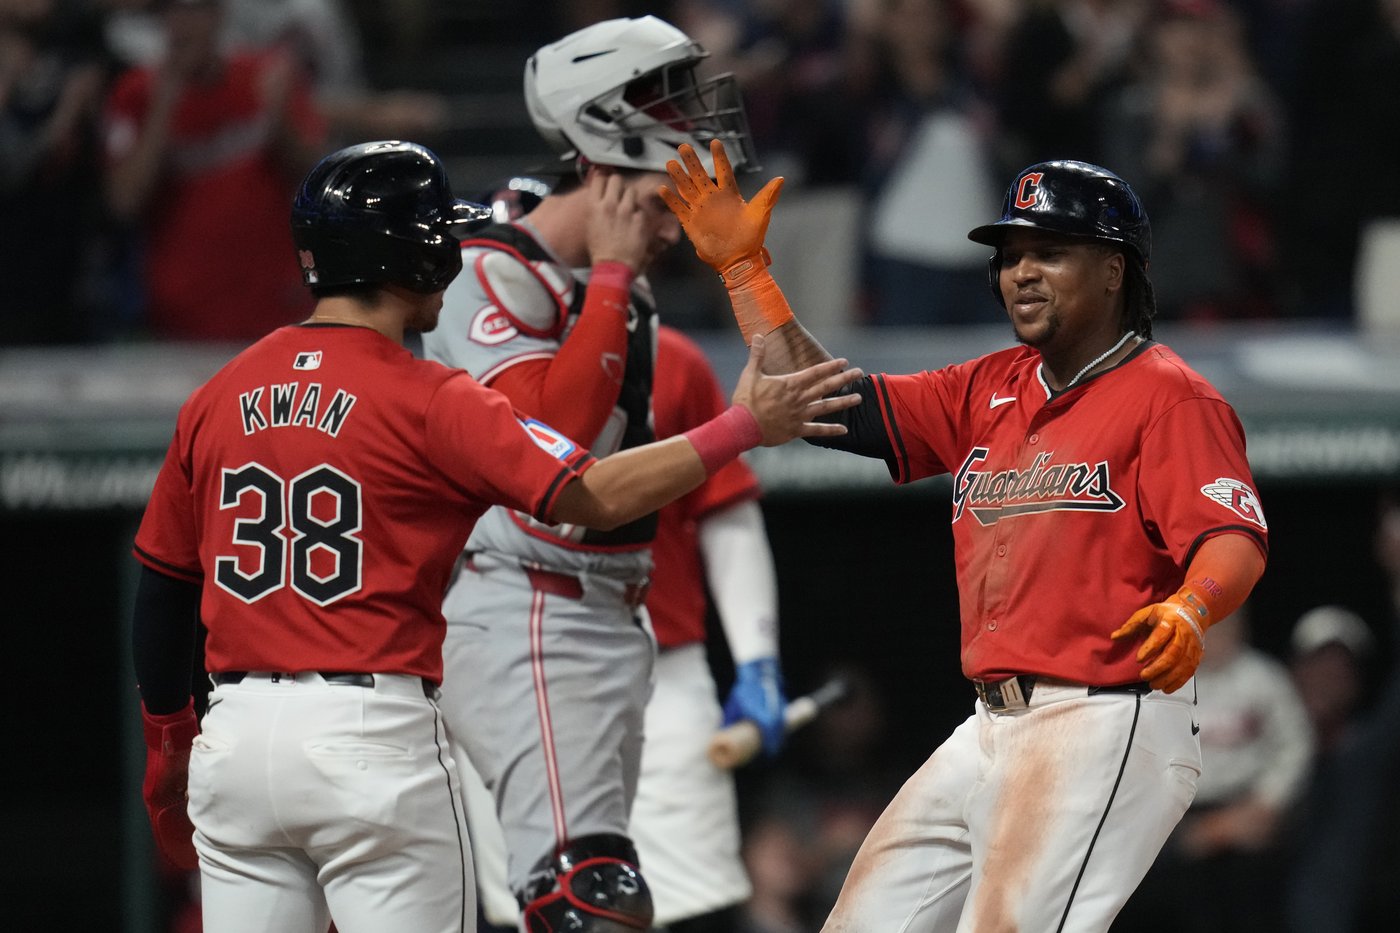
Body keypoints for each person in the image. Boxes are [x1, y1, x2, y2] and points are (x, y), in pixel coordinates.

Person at [127, 138, 861, 933]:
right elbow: (592, 494)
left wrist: (168, 743)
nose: (457, 250)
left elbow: (163, 588)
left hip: (234, 737)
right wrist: (744, 425)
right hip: (370, 734)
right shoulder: (430, 397)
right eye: (442, 234)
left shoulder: (217, 393)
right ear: (412, 257)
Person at [662, 139, 1270, 931]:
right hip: (989, 723)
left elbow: (1234, 535)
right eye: (1011, 254)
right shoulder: (989, 386)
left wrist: (1194, 605)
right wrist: (748, 275)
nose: (1020, 271)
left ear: (1115, 269)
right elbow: (831, 404)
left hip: (1104, 716)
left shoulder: (1171, 398)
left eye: (1049, 252)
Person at [418, 15, 766, 930]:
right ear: (606, 136)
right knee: (584, 897)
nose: (694, 123)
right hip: (528, 603)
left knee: (588, 889)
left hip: (600, 611)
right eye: (669, 100)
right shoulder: (488, 270)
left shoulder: (608, 279)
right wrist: (611, 276)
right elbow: (553, 449)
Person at [102, 0, 327, 341]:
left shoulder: (266, 78)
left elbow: (319, 182)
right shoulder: (135, 93)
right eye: (174, 11)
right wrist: (163, 105)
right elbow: (124, 200)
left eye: (196, 10)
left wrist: (282, 123)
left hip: (275, 306)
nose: (185, 24)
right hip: (182, 316)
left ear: (218, 15)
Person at [1112, 607, 1313, 933]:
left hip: (1249, 805)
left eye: (1228, 627)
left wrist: (1268, 801)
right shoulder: (1167, 683)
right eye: (1211, 629)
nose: (1219, 637)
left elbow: (1295, 744)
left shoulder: (1263, 678)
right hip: (1185, 814)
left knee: (1252, 897)